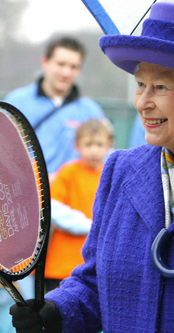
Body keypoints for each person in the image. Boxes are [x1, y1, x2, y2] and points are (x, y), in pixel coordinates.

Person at [9, 2, 174, 332]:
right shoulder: (120, 170)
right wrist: (57, 311)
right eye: (140, 84)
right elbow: (93, 284)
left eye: (160, 87)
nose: (142, 102)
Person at [4, 36, 105, 175]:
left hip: (72, 194)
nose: (66, 72)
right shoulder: (16, 102)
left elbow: (104, 158)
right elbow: (3, 151)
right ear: (45, 62)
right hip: (30, 191)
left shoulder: (91, 111)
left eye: (73, 67)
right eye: (61, 64)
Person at [45, 118, 114, 292]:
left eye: (99, 144)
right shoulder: (68, 172)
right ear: (77, 146)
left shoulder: (110, 175)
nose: (94, 150)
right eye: (88, 144)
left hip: (95, 265)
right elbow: (54, 209)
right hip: (62, 265)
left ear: (109, 145)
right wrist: (90, 226)